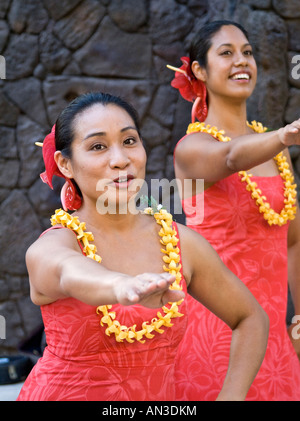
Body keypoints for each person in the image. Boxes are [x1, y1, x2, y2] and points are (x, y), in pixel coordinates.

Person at [17, 92, 268, 401]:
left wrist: (231, 396)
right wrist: (121, 286)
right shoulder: (53, 246)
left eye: (130, 141)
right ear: (65, 164)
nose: (121, 159)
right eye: (98, 146)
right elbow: (69, 272)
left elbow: (250, 318)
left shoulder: (181, 244)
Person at [169, 20, 300, 401]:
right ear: (199, 71)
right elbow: (228, 157)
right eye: (226, 53)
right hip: (214, 333)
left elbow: (293, 241)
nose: (241, 61)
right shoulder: (190, 150)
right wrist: (283, 136)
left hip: (276, 338)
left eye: (247, 52)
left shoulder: (276, 154)